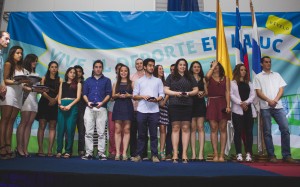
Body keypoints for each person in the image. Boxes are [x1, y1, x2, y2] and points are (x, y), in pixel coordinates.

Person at [253, 56, 297, 163]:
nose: (268, 64)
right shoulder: (258, 77)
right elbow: (258, 92)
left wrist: (275, 100)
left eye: (269, 62)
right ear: (261, 64)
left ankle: (287, 155)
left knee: (285, 129)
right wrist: (269, 100)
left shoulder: (277, 75)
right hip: (265, 107)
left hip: (278, 106)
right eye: (266, 62)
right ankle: (271, 155)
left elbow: (281, 89)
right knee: (267, 132)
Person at [164, 58, 198, 163]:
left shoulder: (190, 77)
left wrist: (188, 93)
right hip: (174, 104)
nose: (182, 66)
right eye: (180, 65)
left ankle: (184, 154)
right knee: (175, 128)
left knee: (185, 128)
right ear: (177, 66)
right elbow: (165, 89)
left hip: (187, 105)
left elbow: (196, 90)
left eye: (184, 65)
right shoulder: (171, 76)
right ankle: (175, 154)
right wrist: (175, 93)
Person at [131, 58, 164, 163]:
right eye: (149, 65)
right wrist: (142, 96)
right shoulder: (139, 81)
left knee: (154, 135)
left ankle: (154, 155)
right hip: (141, 110)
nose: (151, 67)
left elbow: (162, 94)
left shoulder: (158, 80)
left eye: (153, 65)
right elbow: (134, 96)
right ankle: (139, 155)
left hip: (154, 111)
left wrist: (156, 99)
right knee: (141, 135)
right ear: (145, 67)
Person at [0, 46, 30, 159]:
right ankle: (2, 146)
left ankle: (8, 146)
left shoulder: (21, 67)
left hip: (18, 94)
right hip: (9, 92)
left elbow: (22, 84)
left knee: (11, 121)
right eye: (17, 53)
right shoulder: (8, 64)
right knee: (5, 119)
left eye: (21, 53)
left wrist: (26, 83)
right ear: (12, 53)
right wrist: (17, 81)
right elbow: (4, 79)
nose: (20, 55)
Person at [81, 60, 112, 160]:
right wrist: (88, 102)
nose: (98, 69)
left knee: (101, 132)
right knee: (88, 132)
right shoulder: (88, 81)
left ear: (102, 68)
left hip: (102, 108)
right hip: (89, 108)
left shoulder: (107, 80)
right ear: (93, 68)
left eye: (100, 67)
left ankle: (101, 153)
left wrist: (102, 103)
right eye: (96, 67)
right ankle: (89, 153)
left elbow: (109, 94)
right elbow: (84, 94)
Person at [16, 54, 45, 157]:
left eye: (36, 61)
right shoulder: (23, 71)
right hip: (25, 99)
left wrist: (42, 89)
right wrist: (32, 88)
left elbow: (35, 89)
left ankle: (25, 148)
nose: (35, 62)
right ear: (29, 60)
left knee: (29, 124)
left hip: (33, 100)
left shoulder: (36, 74)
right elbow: (22, 86)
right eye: (33, 60)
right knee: (24, 122)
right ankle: (19, 147)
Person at [205, 60, 231, 162]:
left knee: (223, 128)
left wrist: (228, 105)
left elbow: (227, 92)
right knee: (214, 128)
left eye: (216, 65)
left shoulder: (226, 78)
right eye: (212, 66)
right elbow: (206, 77)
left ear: (220, 67)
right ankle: (215, 153)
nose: (215, 67)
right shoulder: (208, 78)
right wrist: (212, 66)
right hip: (212, 102)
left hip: (222, 102)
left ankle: (222, 155)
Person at [35, 61, 62, 157]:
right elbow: (42, 91)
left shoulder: (60, 80)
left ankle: (50, 150)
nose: (54, 68)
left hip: (54, 104)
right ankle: (40, 149)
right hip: (44, 103)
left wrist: (55, 100)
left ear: (57, 69)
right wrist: (50, 99)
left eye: (55, 67)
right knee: (41, 125)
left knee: (52, 126)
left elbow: (60, 92)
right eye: (52, 67)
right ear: (49, 68)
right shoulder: (44, 78)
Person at [230, 64, 256, 162]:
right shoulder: (232, 83)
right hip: (237, 111)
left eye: (245, 70)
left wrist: (246, 103)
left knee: (249, 132)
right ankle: (239, 154)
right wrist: (240, 103)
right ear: (237, 71)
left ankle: (249, 153)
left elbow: (253, 95)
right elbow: (231, 95)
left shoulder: (249, 83)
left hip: (248, 110)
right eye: (241, 70)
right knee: (238, 132)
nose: (244, 72)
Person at [56, 67, 81, 159]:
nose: (72, 74)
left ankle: (68, 151)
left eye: (74, 73)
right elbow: (59, 97)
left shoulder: (78, 84)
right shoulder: (62, 84)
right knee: (61, 129)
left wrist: (70, 105)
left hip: (72, 106)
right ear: (67, 74)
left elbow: (78, 98)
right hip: (62, 106)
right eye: (70, 72)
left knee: (70, 129)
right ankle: (59, 150)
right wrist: (60, 105)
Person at [112, 65, 134, 161]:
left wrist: (129, 95)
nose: (123, 72)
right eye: (122, 71)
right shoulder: (115, 83)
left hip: (128, 106)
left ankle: (124, 153)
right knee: (117, 129)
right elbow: (112, 96)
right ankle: (117, 153)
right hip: (118, 106)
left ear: (128, 72)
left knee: (127, 129)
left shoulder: (132, 83)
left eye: (125, 71)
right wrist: (116, 95)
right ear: (119, 72)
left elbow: (135, 95)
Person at [130, 58, 149, 160]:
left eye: (141, 63)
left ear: (144, 65)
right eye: (137, 64)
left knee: (144, 133)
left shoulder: (148, 76)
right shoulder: (131, 77)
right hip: (133, 108)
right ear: (135, 65)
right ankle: (133, 154)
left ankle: (144, 154)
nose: (139, 65)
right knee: (133, 132)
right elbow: (134, 93)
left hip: (146, 109)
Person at [188, 61, 207, 161]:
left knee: (200, 127)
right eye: (194, 67)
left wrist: (203, 93)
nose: (196, 68)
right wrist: (195, 92)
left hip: (200, 104)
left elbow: (207, 92)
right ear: (191, 68)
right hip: (191, 104)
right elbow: (186, 90)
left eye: (198, 67)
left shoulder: (203, 79)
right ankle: (194, 154)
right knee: (193, 128)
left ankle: (200, 154)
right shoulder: (188, 79)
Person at [107, 62, 124, 159]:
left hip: (123, 110)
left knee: (122, 131)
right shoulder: (111, 81)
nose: (120, 71)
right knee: (112, 131)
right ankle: (112, 151)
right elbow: (109, 96)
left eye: (122, 69)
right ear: (116, 71)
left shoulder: (128, 81)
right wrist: (114, 96)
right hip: (112, 109)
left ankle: (121, 152)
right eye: (118, 69)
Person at [153, 64, 169, 161]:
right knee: (153, 129)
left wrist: (164, 101)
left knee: (163, 128)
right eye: (160, 69)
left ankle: (162, 151)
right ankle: (153, 151)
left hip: (163, 107)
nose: (162, 70)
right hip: (153, 106)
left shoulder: (165, 81)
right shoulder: (152, 81)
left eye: (162, 69)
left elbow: (167, 92)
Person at [74, 65, 86, 156]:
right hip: (71, 108)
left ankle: (81, 150)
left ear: (82, 73)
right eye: (76, 71)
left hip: (82, 108)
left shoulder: (85, 83)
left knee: (82, 130)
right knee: (69, 130)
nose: (78, 73)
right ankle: (68, 150)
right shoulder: (70, 83)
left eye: (79, 71)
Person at [165, 63, 175, 161]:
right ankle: (169, 153)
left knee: (182, 130)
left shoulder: (184, 78)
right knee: (171, 131)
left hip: (183, 107)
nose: (172, 71)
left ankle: (180, 153)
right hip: (171, 107)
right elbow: (166, 92)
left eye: (174, 69)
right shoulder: (169, 78)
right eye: (171, 69)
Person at [0, 31, 10, 102]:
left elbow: (1, 75)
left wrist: (3, 86)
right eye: (6, 38)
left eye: (9, 39)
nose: (8, 41)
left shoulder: (1, 57)